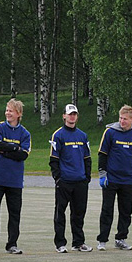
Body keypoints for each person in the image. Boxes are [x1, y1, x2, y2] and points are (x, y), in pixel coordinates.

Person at [96, 105, 132, 251]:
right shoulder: (110, 132)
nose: (122, 121)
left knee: (126, 211)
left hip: (127, 180)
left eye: (125, 119)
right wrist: (102, 174)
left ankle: (121, 238)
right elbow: (102, 154)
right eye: (120, 118)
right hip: (111, 179)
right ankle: (102, 240)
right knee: (107, 210)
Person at [0, 98, 30, 255]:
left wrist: (7, 150)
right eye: (6, 110)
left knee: (14, 214)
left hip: (15, 181)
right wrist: (13, 148)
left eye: (10, 110)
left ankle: (12, 244)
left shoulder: (25, 133)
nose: (7, 113)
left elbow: (23, 155)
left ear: (18, 113)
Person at [49, 104, 92, 253]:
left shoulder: (82, 135)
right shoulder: (58, 135)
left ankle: (78, 242)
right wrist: (58, 178)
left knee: (79, 213)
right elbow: (53, 159)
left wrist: (87, 177)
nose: (72, 116)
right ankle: (60, 243)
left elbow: (87, 158)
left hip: (80, 181)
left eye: (74, 114)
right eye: (70, 114)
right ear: (64, 116)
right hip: (65, 181)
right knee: (60, 213)